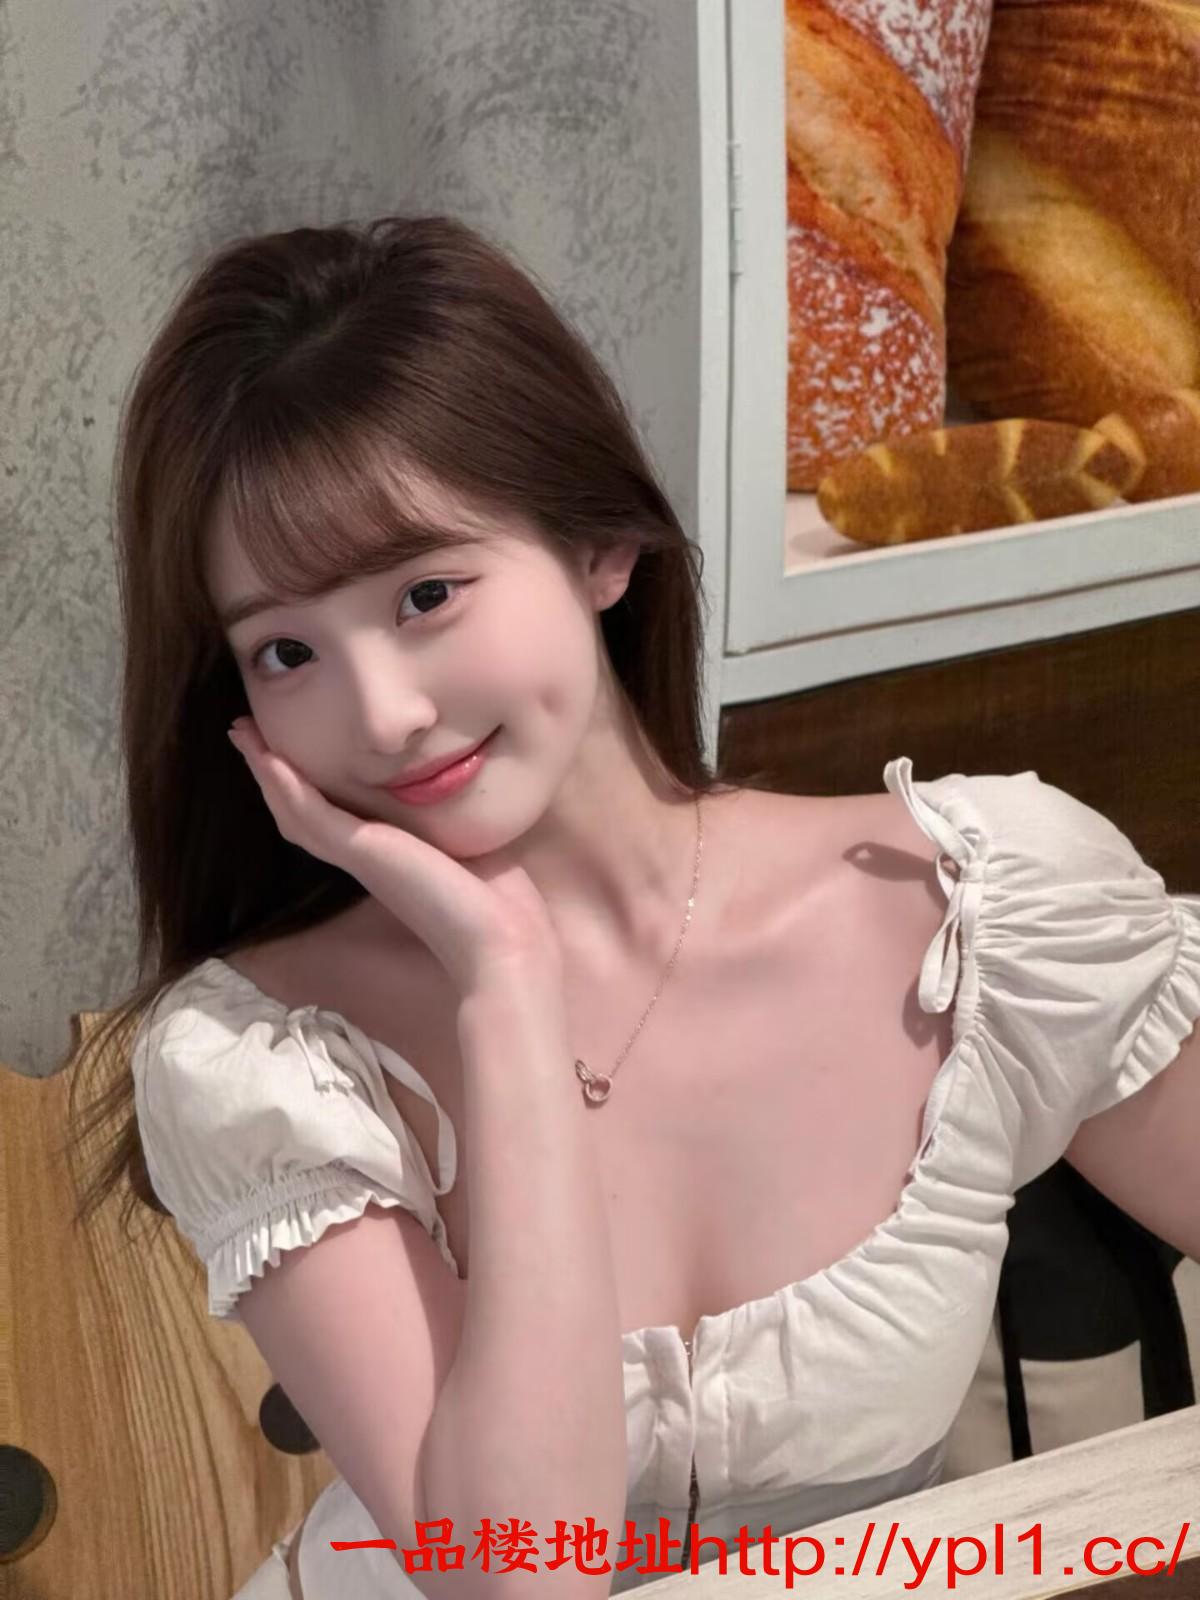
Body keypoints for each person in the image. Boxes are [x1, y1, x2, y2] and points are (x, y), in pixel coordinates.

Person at [64, 214, 1200, 1599]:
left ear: (603, 546)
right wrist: (505, 986)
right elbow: (514, 1579)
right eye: (286, 651)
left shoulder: (975, 908)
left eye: (427, 594)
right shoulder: (259, 1060)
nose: (383, 713)